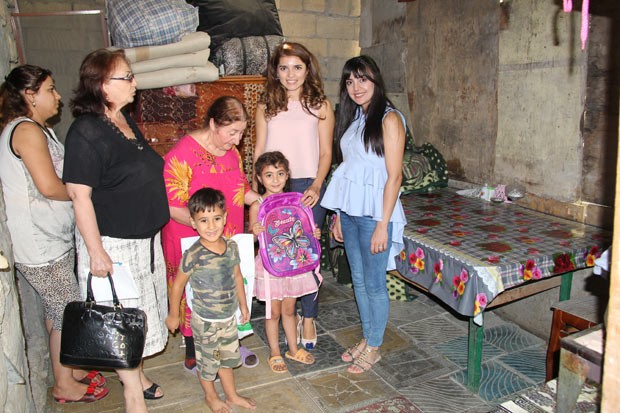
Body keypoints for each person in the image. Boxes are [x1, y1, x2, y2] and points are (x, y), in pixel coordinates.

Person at [62, 49, 169, 412]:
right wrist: (96, 252)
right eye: (127, 77)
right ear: (103, 85)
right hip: (113, 244)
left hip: (144, 241)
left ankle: (137, 376)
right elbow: (79, 196)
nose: (135, 83)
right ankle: (132, 394)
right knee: (122, 319)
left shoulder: (121, 120)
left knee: (137, 316)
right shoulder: (86, 131)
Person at [0, 65, 110, 404]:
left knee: (58, 309)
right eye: (50, 89)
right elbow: (49, 186)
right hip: (39, 244)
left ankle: (69, 369)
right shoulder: (25, 131)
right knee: (66, 310)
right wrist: (85, 194)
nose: (58, 96)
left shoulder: (38, 129)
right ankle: (63, 384)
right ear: (30, 95)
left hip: (49, 238)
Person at [162, 95, 261, 372]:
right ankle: (193, 348)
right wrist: (209, 232)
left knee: (226, 287)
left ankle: (230, 342)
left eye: (242, 132)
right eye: (232, 132)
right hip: (191, 236)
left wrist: (263, 201)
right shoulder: (182, 154)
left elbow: (241, 189)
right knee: (196, 290)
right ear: (214, 124)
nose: (238, 140)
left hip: (225, 236)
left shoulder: (231, 152)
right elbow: (172, 206)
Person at [321, 56, 407, 374]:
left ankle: (374, 347)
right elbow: (347, 171)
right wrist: (338, 215)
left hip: (375, 215)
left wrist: (383, 225)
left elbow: (394, 177)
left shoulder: (389, 119)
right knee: (357, 280)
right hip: (350, 212)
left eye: (362, 79)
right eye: (350, 81)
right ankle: (368, 338)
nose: (356, 87)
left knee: (374, 283)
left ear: (375, 80)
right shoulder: (356, 118)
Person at [253, 42, 334, 350]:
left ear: (307, 70)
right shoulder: (266, 106)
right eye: (284, 68)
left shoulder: (320, 105)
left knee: (308, 254)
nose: (291, 74)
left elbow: (326, 152)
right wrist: (259, 191)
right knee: (280, 252)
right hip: (275, 187)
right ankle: (283, 307)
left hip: (308, 187)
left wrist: (317, 185)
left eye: (297, 67)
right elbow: (259, 150)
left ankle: (308, 317)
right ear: (275, 71)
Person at [166, 188, 257, 413]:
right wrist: (174, 315)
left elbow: (238, 277)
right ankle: (211, 396)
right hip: (205, 321)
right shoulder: (193, 254)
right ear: (193, 222)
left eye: (216, 218)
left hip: (228, 317)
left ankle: (231, 395)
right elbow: (178, 285)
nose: (211, 226)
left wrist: (243, 305)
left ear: (225, 218)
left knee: (226, 359)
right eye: (204, 220)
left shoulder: (231, 247)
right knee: (208, 362)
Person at [249, 151, 320, 373]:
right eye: (269, 175)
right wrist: (255, 231)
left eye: (280, 174)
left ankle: (293, 348)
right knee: (273, 312)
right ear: (260, 178)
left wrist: (314, 233)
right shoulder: (257, 205)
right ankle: (275, 352)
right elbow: (252, 237)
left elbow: (305, 229)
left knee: (290, 310)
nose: (275, 180)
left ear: (287, 175)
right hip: (271, 266)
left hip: (294, 265)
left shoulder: (297, 201)